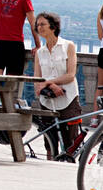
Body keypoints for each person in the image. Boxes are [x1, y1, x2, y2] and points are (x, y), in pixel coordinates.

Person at [31, 12, 82, 159]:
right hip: (48, 99)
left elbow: (70, 75)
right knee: (49, 139)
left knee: (70, 140)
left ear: (53, 27)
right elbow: (37, 78)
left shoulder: (68, 46)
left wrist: (49, 82)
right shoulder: (40, 52)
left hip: (68, 98)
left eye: (42, 24)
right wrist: (49, 86)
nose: (39, 28)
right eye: (37, 25)